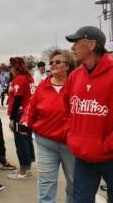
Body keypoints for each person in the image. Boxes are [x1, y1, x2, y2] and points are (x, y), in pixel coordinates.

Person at [64, 26, 113, 203]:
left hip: (110, 156)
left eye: (76, 43)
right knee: (80, 200)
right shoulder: (75, 76)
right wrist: (73, 136)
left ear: (91, 44)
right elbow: (67, 110)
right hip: (83, 156)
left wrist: (105, 146)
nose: (72, 48)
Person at [21, 50, 75, 203]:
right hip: (46, 142)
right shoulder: (42, 87)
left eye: (58, 62)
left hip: (70, 144)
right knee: (46, 184)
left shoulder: (76, 85)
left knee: (74, 184)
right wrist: (25, 121)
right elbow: (31, 108)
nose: (53, 65)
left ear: (68, 66)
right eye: (51, 62)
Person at [7, 57, 35, 180]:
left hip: (20, 115)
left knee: (21, 142)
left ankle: (24, 170)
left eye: (11, 67)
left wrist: (12, 119)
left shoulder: (19, 79)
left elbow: (17, 100)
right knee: (26, 140)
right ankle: (27, 167)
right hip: (28, 114)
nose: (10, 69)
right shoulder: (28, 78)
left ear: (15, 67)